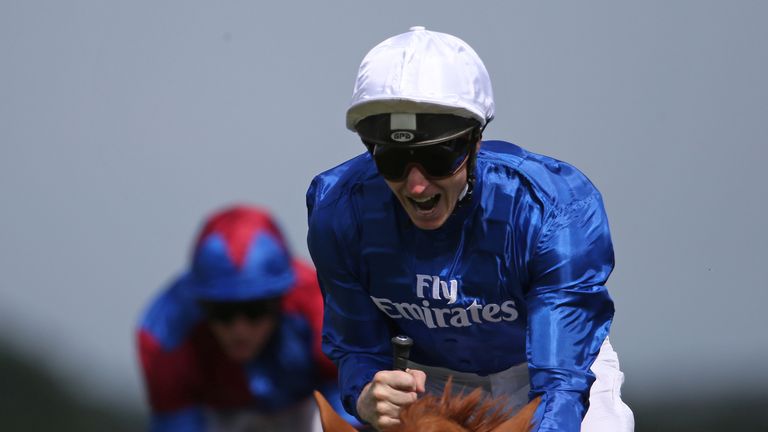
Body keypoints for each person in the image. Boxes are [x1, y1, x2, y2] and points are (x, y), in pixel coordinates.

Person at [306, 26, 635, 432]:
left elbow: (560, 387)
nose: (416, 185)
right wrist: (366, 395)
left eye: (437, 158)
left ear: (476, 141)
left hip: (545, 369)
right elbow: (357, 348)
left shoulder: (552, 210)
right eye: (392, 159)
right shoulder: (338, 210)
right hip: (429, 380)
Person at [137, 205, 354, 431]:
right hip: (215, 417)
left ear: (281, 298)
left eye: (255, 310)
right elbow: (176, 422)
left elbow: (351, 400)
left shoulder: (324, 309)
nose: (240, 330)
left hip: (309, 408)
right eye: (223, 312)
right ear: (200, 303)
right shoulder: (164, 335)